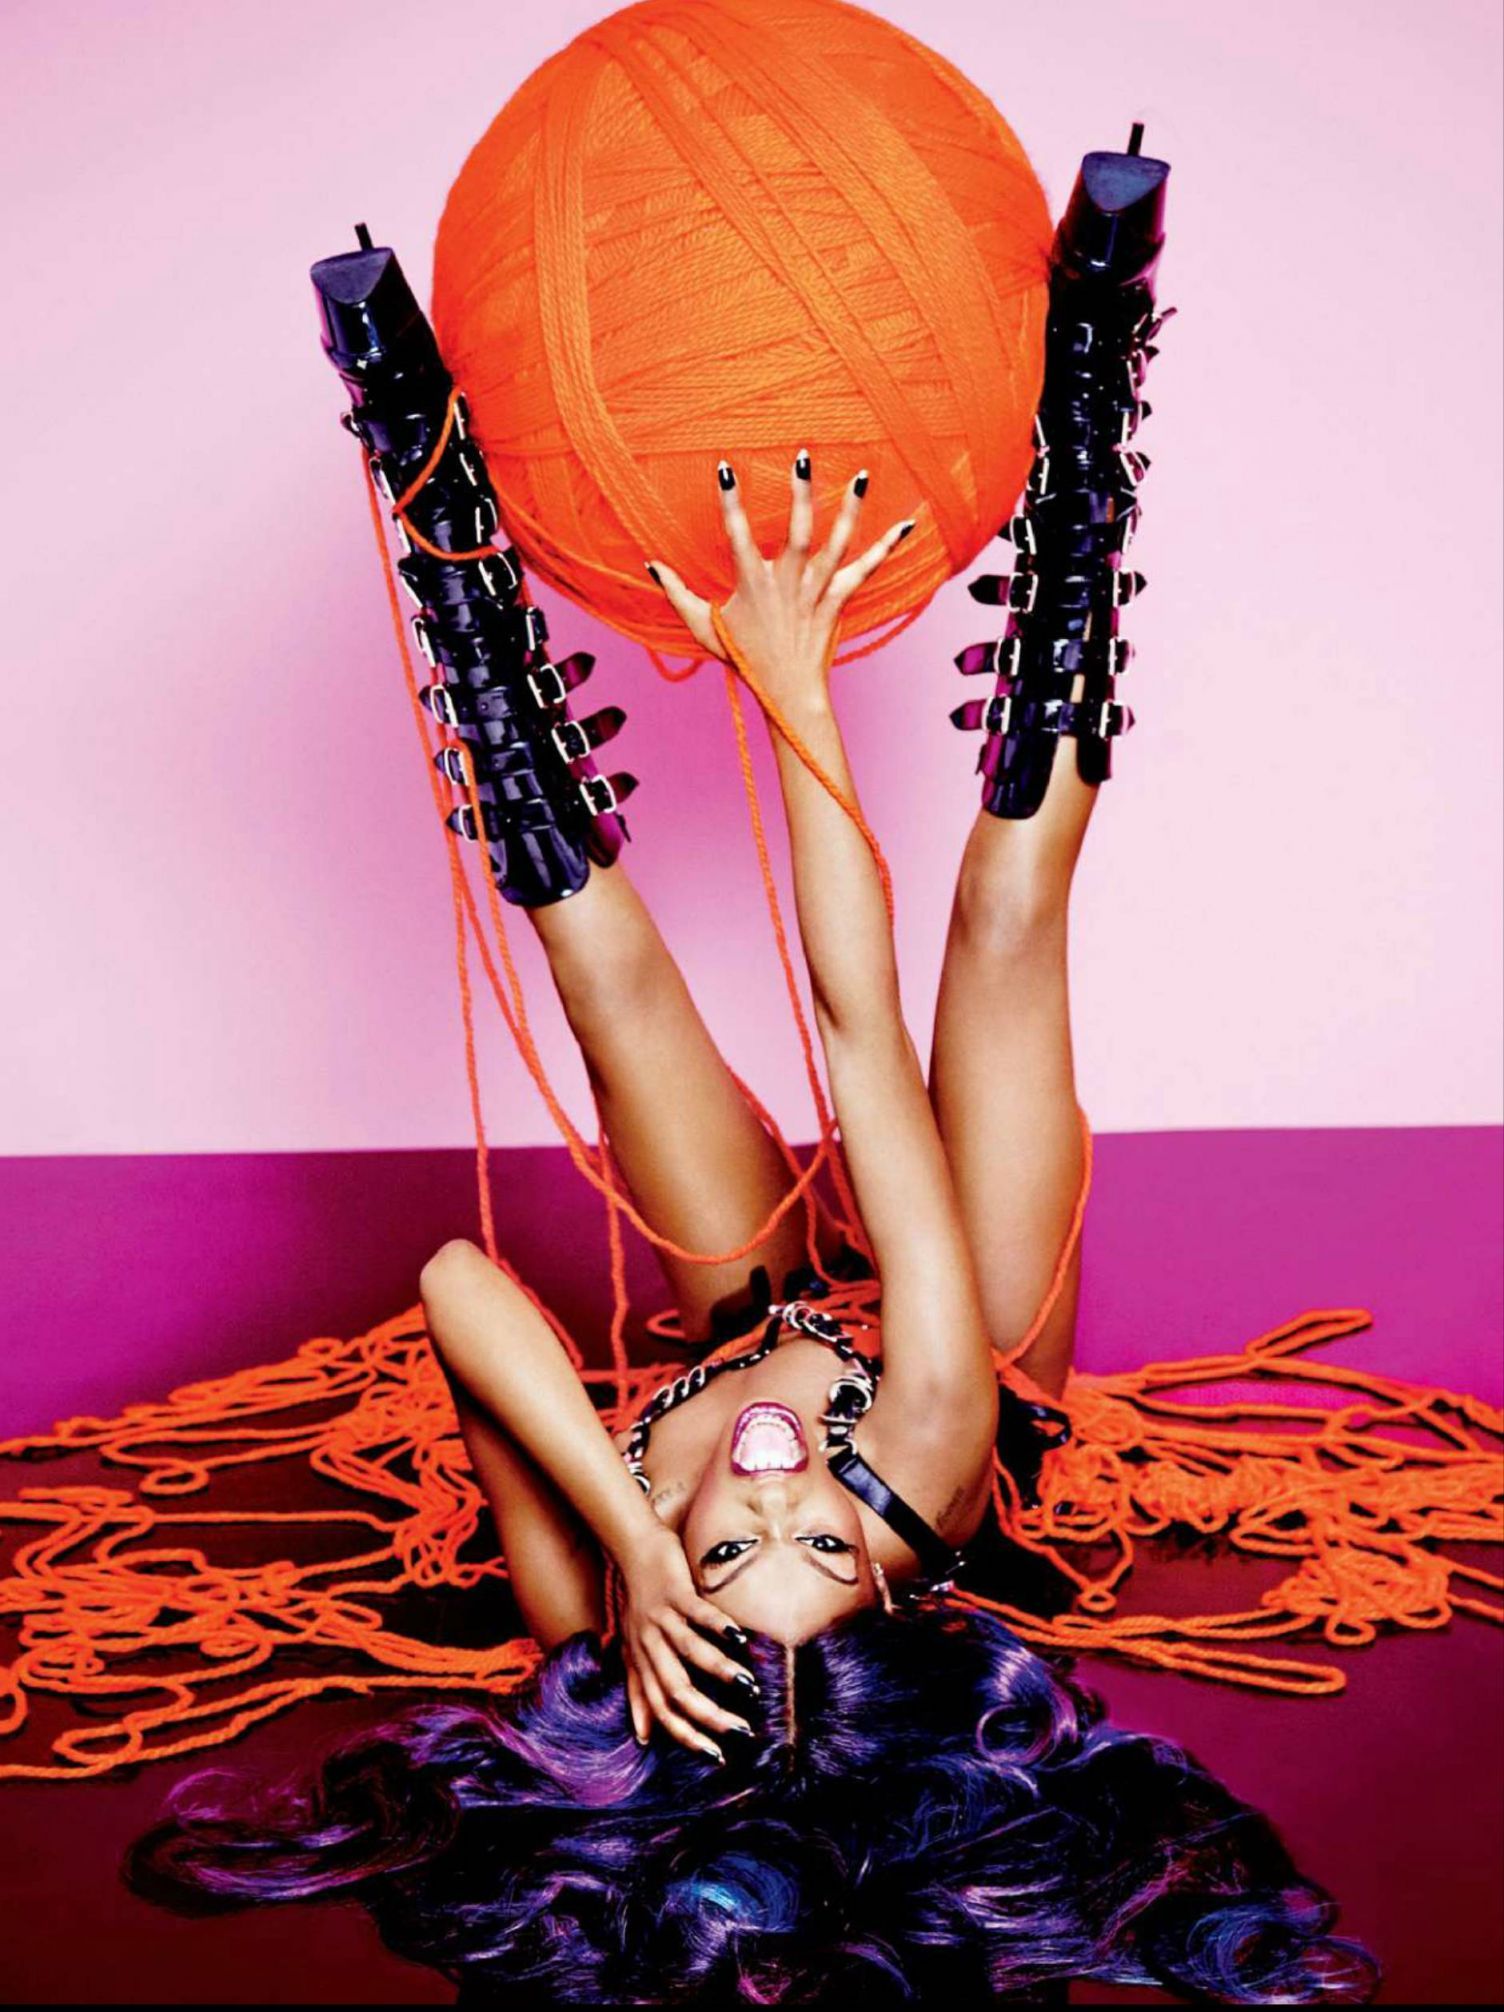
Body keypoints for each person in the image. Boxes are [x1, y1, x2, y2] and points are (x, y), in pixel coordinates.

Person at [128, 457, 1376, 2006]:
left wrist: (634, 1539)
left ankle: (452, 540)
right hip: (968, 1331)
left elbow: (456, 1283)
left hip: (761, 1314)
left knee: (605, 977)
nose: (780, 1492)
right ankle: (1084, 482)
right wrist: (792, 688)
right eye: (825, 1544)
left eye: (733, 1547)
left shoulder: (596, 1597)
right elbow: (861, 1039)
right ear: (888, 1577)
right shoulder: (920, 1457)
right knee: (1004, 918)